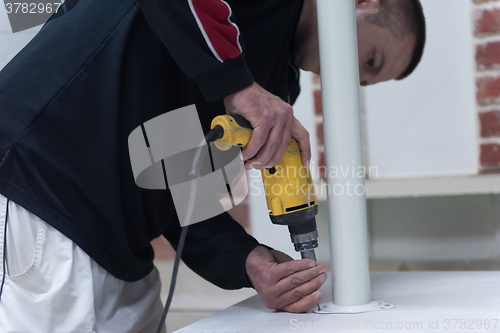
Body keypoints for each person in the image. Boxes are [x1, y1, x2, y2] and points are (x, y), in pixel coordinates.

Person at [0, 0, 425, 331]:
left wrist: (248, 262)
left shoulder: (274, 84)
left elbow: (185, 196)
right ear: (364, 2)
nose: (350, 78)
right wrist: (237, 85)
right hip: (43, 192)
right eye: (370, 61)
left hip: (119, 255)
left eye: (365, 81)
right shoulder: (253, 70)